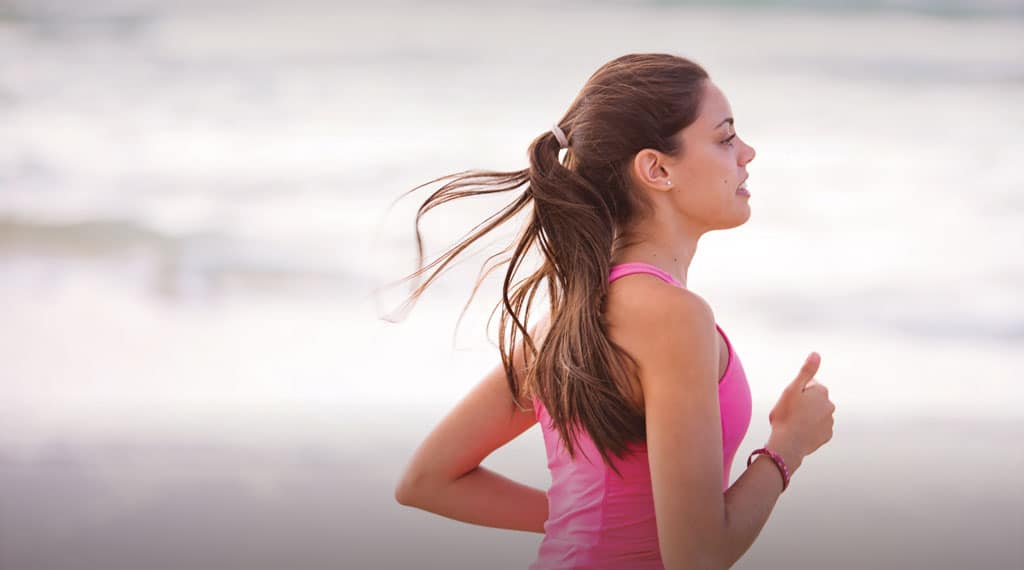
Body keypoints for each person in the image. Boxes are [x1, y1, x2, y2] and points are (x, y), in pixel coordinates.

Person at [390, 53, 836, 569]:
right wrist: (787, 447)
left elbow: (428, 480)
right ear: (657, 169)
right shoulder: (674, 318)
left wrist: (579, 521)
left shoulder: (571, 316)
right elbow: (697, 558)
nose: (747, 152)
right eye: (725, 137)